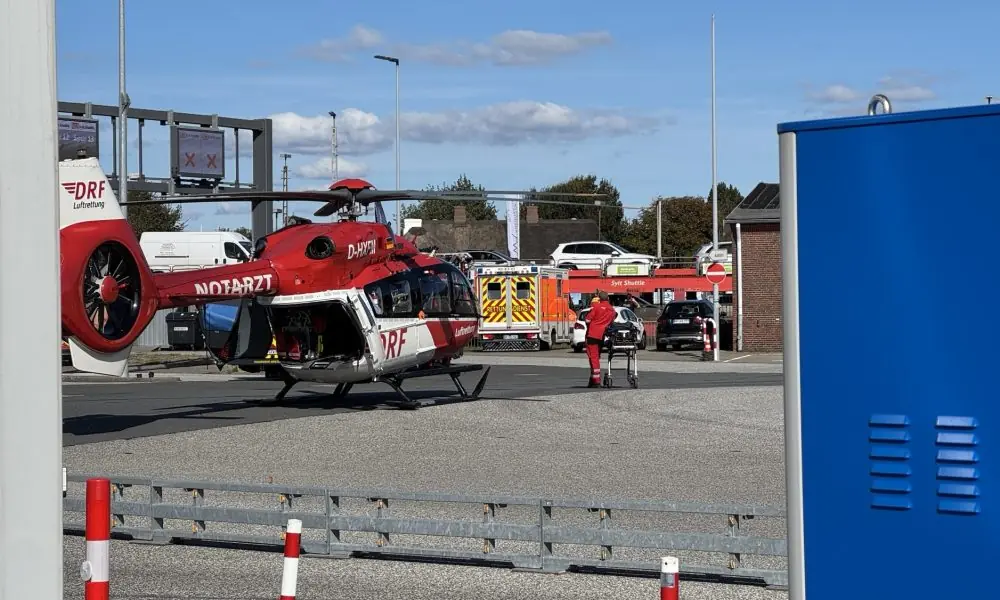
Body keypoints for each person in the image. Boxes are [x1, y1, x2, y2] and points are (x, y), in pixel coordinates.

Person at [584, 291, 616, 387]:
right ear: (608, 299)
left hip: (592, 335)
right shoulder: (612, 310)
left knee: (593, 357)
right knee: (597, 356)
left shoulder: (596, 307)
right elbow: (612, 321)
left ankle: (596, 380)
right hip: (603, 336)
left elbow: (587, 320)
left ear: (599, 299)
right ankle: (593, 378)